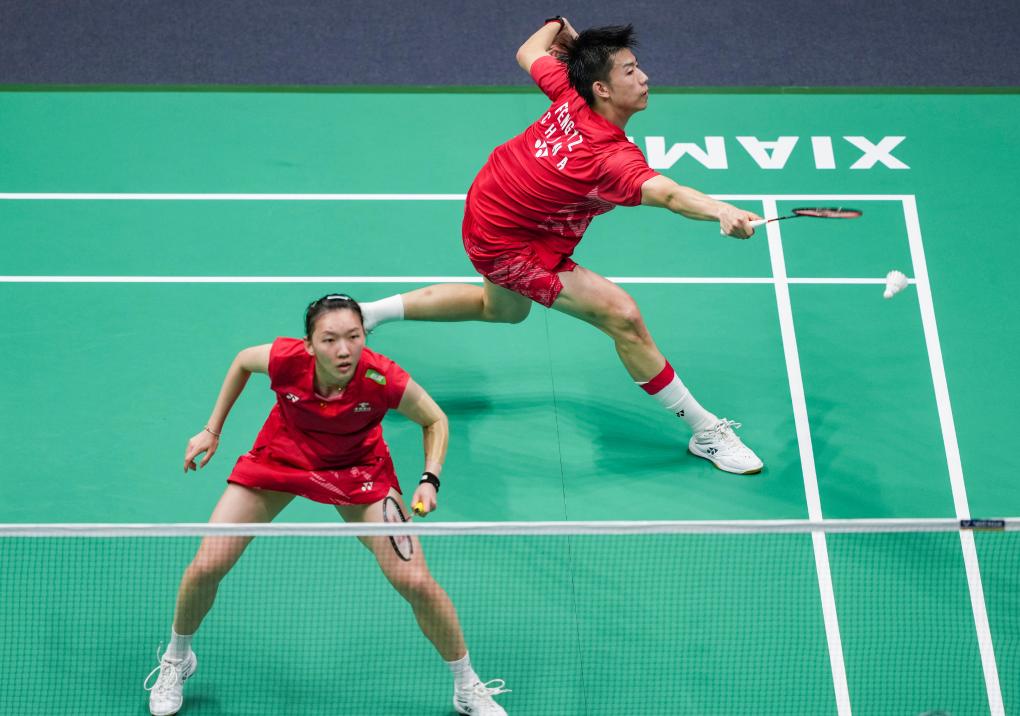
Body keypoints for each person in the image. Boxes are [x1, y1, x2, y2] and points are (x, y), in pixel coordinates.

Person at [361, 19, 763, 475]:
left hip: (489, 208)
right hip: (508, 244)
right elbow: (668, 195)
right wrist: (720, 210)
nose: (644, 77)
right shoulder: (610, 158)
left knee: (502, 310)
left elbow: (527, 51)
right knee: (623, 317)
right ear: (602, 89)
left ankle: (370, 313)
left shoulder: (572, 92)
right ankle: (706, 433)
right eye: (630, 71)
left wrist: (558, 27)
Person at [144, 294, 509, 715]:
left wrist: (430, 479)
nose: (344, 350)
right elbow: (243, 360)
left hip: (358, 472)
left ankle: (467, 686)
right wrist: (212, 430)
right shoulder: (287, 360)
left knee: (416, 582)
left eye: (354, 336)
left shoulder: (381, 377)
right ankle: (177, 659)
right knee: (207, 565)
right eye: (330, 339)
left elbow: (435, 419)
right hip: (282, 460)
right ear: (310, 344)